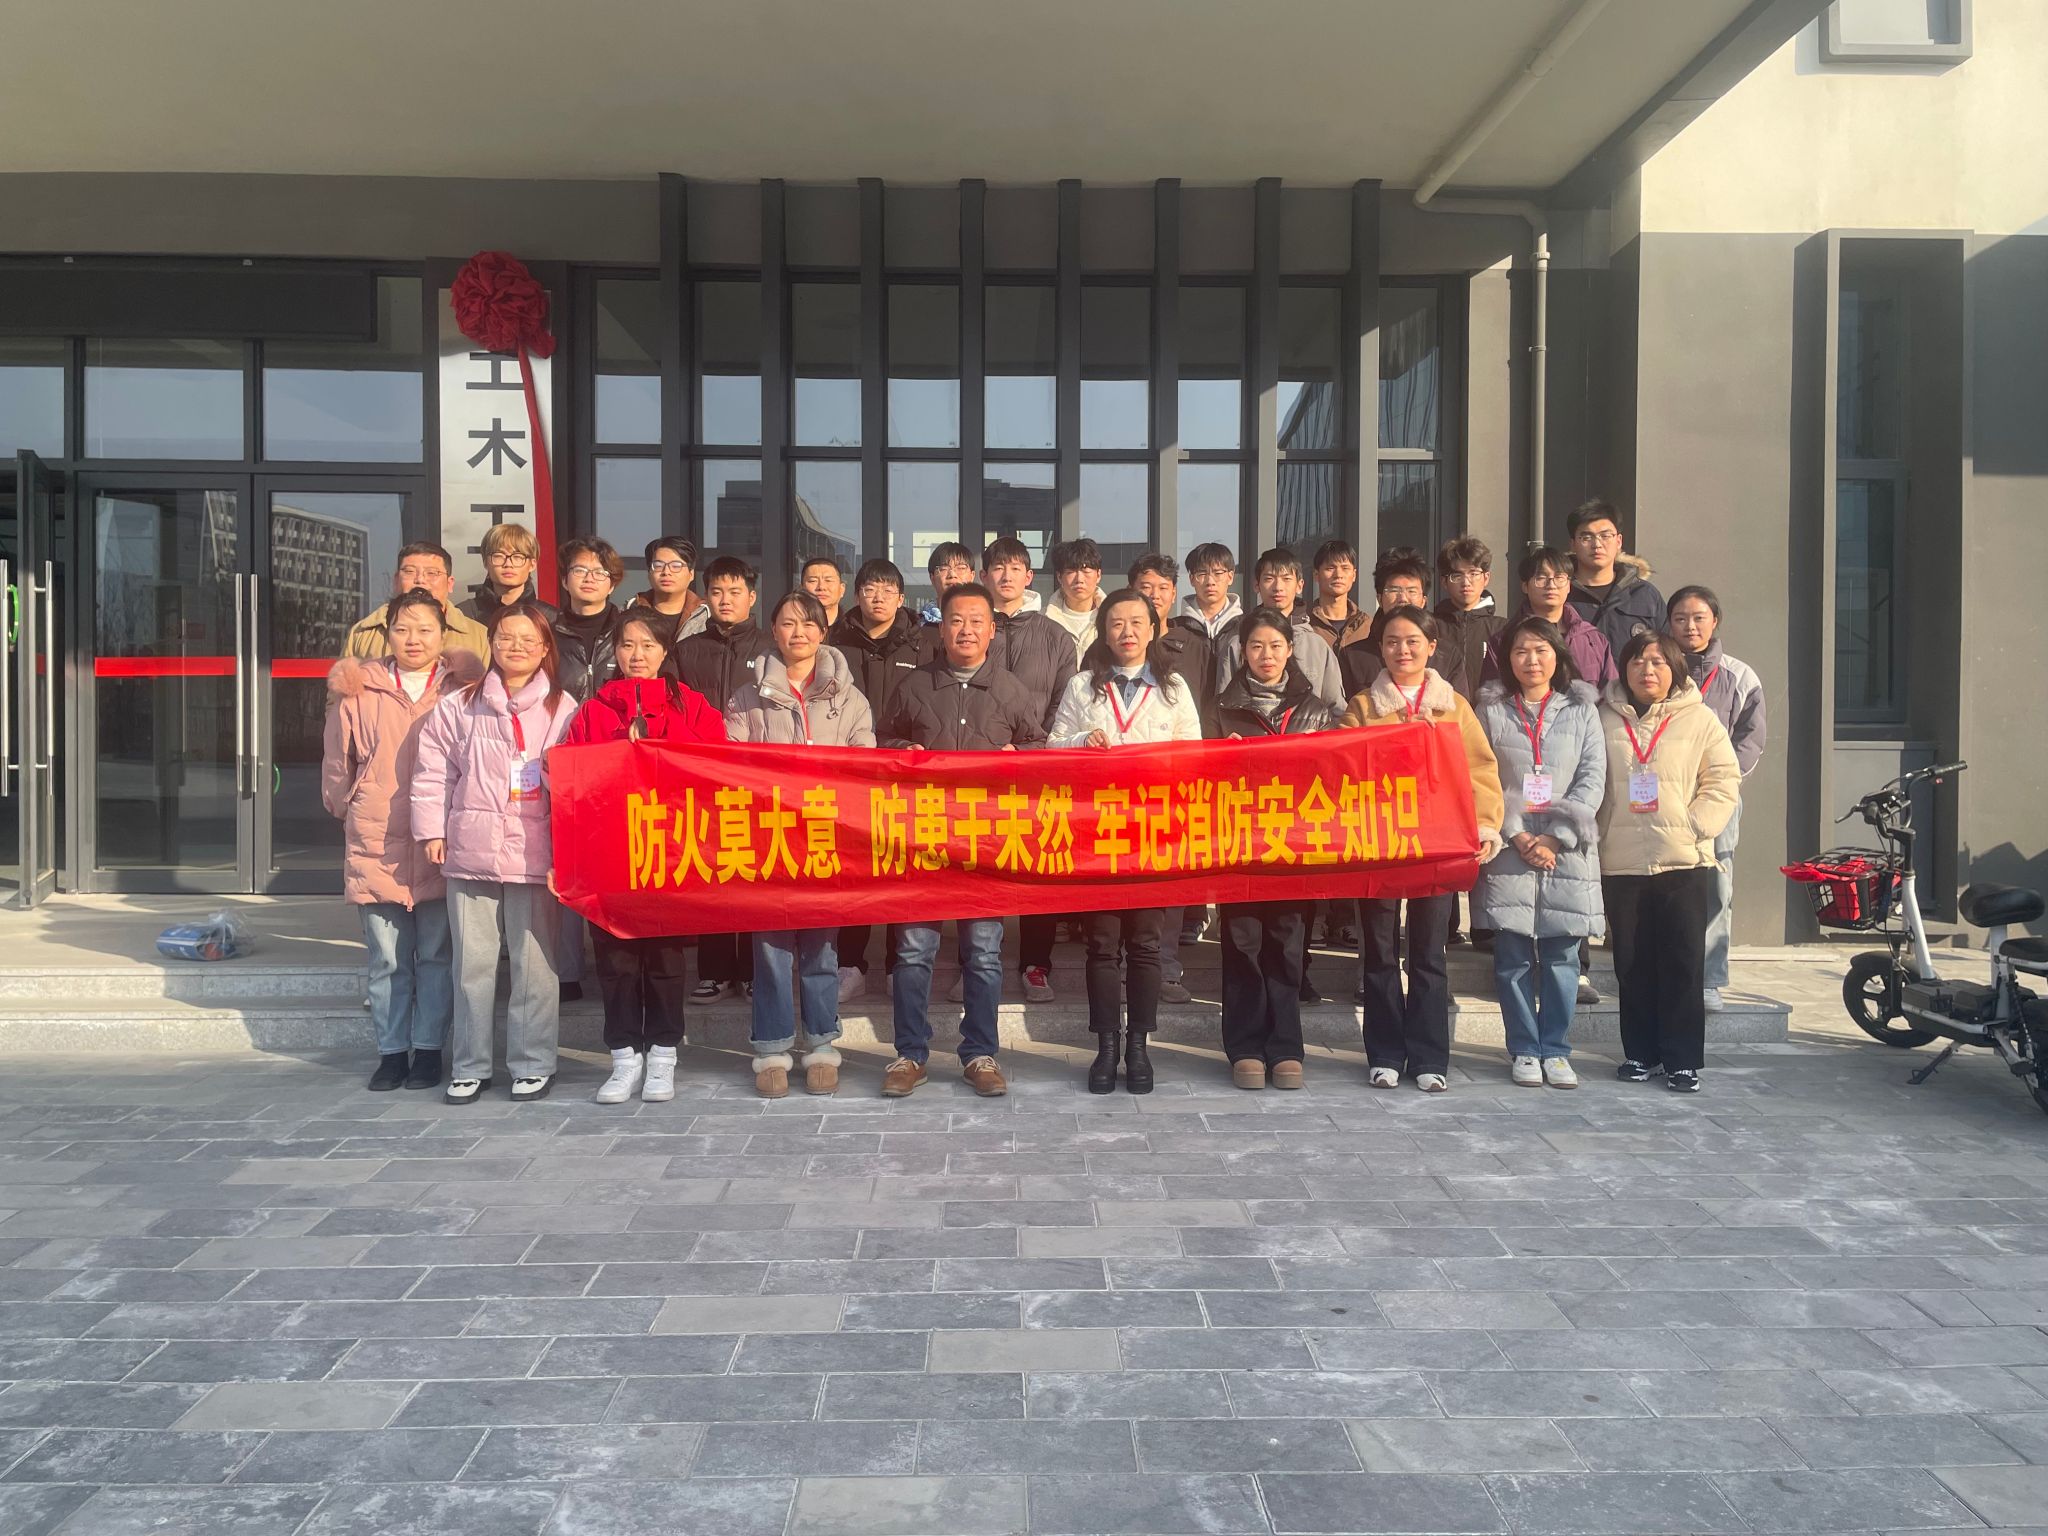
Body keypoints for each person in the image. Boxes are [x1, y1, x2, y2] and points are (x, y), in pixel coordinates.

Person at [874, 583, 1046, 1098]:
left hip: (985, 844)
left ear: (992, 630)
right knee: (912, 952)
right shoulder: (913, 685)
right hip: (922, 840)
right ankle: (910, 1054)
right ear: (941, 628)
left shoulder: (1011, 690)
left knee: (985, 953)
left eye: (976, 621)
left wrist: (1020, 756)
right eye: (956, 620)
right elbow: (881, 743)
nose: (966, 630)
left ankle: (980, 1054)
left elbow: (1038, 747)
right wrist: (905, 750)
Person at [412, 600, 579, 1105]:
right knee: (472, 964)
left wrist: (569, 851)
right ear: (492, 643)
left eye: (529, 639)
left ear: (545, 648)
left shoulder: (564, 708)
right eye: (506, 637)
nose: (516, 647)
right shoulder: (459, 705)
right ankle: (470, 1064)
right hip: (472, 849)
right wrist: (431, 831)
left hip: (535, 852)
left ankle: (534, 1062)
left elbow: (573, 784)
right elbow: (433, 772)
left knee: (535, 965)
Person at [562, 613, 726, 1105]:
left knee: (665, 960)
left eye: (649, 645)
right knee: (615, 961)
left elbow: (716, 764)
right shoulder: (593, 711)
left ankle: (663, 1055)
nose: (638, 655)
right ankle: (623, 1057)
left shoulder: (691, 705)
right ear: (615, 651)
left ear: (665, 651)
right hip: (609, 851)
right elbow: (570, 776)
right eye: (628, 645)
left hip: (670, 850)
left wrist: (659, 747)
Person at [1340, 606, 1504, 1092]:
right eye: (1392, 641)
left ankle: (1430, 1057)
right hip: (1380, 842)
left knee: (1429, 952)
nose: (1402, 650)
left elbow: (1481, 769)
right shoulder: (1364, 705)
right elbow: (1343, 765)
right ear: (1380, 648)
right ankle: (1385, 1053)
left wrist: (1486, 825)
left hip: (1438, 841)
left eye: (1413, 641)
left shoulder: (1455, 705)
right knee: (1380, 951)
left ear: (1432, 647)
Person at [322, 591, 480, 1092]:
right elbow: (336, 763)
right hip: (377, 836)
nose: (414, 639)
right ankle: (391, 1053)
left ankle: (429, 1050)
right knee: (387, 958)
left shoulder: (464, 688)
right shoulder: (358, 689)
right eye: (402, 629)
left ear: (443, 635)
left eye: (425, 629)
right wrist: (350, 806)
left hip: (441, 838)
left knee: (436, 954)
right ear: (386, 634)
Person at [1050, 589, 1203, 1094]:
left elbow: (1193, 755)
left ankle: (1139, 1046)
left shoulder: (1174, 687)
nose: (1127, 632)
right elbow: (1053, 746)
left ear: (1154, 628)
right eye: (1116, 623)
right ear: (1103, 630)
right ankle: (1106, 1045)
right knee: (1100, 944)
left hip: (1154, 831)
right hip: (1098, 831)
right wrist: (1082, 742)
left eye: (1137, 622)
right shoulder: (1081, 685)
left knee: (1144, 943)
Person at [726, 591, 875, 1098]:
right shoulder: (747, 698)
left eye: (808, 623)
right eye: (788, 623)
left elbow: (865, 763)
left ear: (823, 631)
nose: (798, 632)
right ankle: (770, 1048)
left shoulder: (850, 698)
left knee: (821, 948)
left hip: (827, 837)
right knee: (769, 950)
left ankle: (822, 1045)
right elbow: (730, 765)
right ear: (773, 630)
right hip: (768, 838)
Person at [1598, 630, 1741, 1094]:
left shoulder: (1699, 718)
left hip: (1683, 859)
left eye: (1658, 662)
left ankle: (1681, 1060)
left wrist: (1697, 825)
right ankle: (1640, 1053)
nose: (1647, 670)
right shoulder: (1602, 717)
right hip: (1621, 860)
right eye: (1638, 661)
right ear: (1624, 669)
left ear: (1675, 668)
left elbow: (1723, 777)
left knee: (1682, 962)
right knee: (1632, 962)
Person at [1211, 607, 1343, 1089]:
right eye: (1255, 646)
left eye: (1275, 645)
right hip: (1238, 844)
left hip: (1294, 845)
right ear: (1241, 652)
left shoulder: (1316, 710)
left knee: (1287, 944)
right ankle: (1245, 1047)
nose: (1266, 655)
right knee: (1242, 943)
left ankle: (1286, 1046)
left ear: (1290, 649)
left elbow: (1334, 777)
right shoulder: (1219, 708)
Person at [1472, 616, 1606, 1090]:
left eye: (1541, 650)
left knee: (1562, 958)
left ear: (1557, 655)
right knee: (1512, 959)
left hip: (1566, 851)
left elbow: (1593, 777)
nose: (1531, 660)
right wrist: (1516, 834)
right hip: (1509, 848)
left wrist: (1555, 837)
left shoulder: (1582, 710)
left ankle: (1557, 1050)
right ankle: (1525, 1049)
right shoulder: (1490, 711)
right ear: (1508, 659)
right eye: (1521, 651)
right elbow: (1482, 777)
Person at [982, 537, 1079, 1005]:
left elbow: (1066, 702)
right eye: (997, 567)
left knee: (1039, 867)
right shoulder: (972, 627)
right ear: (984, 576)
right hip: (980, 769)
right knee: (983, 865)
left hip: (1038, 767)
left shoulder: (1056, 636)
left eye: (1015, 567)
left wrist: (1035, 747)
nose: (1006, 575)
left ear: (1029, 576)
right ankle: (980, 962)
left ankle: (1036, 964)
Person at [671, 556, 772, 1003]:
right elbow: (672, 707)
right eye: (716, 592)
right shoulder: (687, 650)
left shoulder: (770, 649)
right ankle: (713, 970)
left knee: (752, 875)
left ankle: (751, 970)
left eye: (735, 592)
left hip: (757, 779)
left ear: (752, 597)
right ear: (706, 598)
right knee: (710, 871)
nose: (725, 600)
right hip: (702, 776)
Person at [1665, 585, 1767, 1013]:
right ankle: (1668, 973)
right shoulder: (1657, 668)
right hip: (1665, 797)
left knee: (1716, 887)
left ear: (1715, 621)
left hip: (1718, 798)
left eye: (1698, 618)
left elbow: (1750, 739)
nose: (1689, 626)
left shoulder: (1739, 675)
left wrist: (1720, 784)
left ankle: (1709, 979)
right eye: (1680, 618)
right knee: (1663, 884)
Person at [827, 558, 923, 1003]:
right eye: (869, 589)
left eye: (887, 589)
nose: (878, 597)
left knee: (902, 871)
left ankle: (897, 964)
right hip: (850, 776)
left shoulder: (922, 645)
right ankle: (850, 964)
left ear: (901, 598)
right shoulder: (835, 644)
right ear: (856, 595)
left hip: (904, 775)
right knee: (855, 872)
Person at [1127, 553, 1214, 1005]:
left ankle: (1165, 968)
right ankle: (1123, 965)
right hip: (1121, 788)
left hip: (1176, 780)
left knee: (1171, 878)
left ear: (1174, 593)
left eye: (1163, 587)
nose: (1154, 595)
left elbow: (1209, 705)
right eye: (1146, 586)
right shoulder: (1110, 645)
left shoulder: (1192, 645)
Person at [1336, 547, 1467, 700]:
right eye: (1394, 590)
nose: (1403, 598)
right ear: (1379, 599)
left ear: (1424, 601)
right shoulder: (1353, 657)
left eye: (1412, 591)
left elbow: (1459, 709)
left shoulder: (1447, 655)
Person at [1484, 545, 1617, 690]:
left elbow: (1612, 695)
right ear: (1525, 586)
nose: (1551, 585)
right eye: (1541, 578)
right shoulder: (1504, 640)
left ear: (1569, 586)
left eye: (1559, 578)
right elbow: (1493, 696)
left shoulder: (1592, 639)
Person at [1232, 548, 1344, 706]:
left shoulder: (1317, 645)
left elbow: (1336, 708)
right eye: (1269, 578)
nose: (1278, 587)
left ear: (1300, 585)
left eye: (1286, 579)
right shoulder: (1238, 642)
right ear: (1256, 585)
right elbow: (1224, 704)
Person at [344, 542, 490, 663]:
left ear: (450, 583)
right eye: (409, 572)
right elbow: (342, 687)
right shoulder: (363, 633)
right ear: (396, 580)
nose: (420, 580)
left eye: (432, 573)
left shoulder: (479, 637)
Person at [1567, 498, 1666, 660]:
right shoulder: (1559, 593)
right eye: (1587, 537)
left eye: (1605, 536)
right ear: (1573, 544)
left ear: (1618, 541)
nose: (1597, 544)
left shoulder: (1644, 594)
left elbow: (1667, 651)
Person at [1434, 536, 1505, 705]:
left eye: (1474, 574)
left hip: (1490, 715)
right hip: (1443, 713)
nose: (1466, 582)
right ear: (1444, 581)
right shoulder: (1431, 626)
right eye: (1457, 575)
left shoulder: (1503, 628)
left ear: (1486, 578)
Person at [459, 522, 558, 625]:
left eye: (517, 557)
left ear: (532, 565)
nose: (508, 564)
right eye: (499, 556)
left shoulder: (551, 620)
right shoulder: (463, 615)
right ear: (485, 562)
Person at [629, 536, 709, 650]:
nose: (666, 572)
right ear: (649, 572)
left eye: (676, 566)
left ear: (691, 574)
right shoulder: (629, 612)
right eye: (658, 565)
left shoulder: (707, 616)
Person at [1306, 539, 1374, 655]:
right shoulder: (1303, 624)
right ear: (1316, 575)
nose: (1338, 575)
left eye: (1345, 568)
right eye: (1330, 568)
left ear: (1354, 575)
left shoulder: (1367, 625)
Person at [1045, 537, 1106, 664]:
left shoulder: (1113, 620)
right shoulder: (1042, 621)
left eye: (1086, 571)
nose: (1079, 579)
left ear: (1098, 575)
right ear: (1059, 577)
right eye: (1071, 571)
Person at [800, 554, 847, 626]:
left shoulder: (853, 630)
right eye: (813, 581)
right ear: (801, 589)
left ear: (842, 589)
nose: (821, 587)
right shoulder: (792, 629)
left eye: (828, 580)